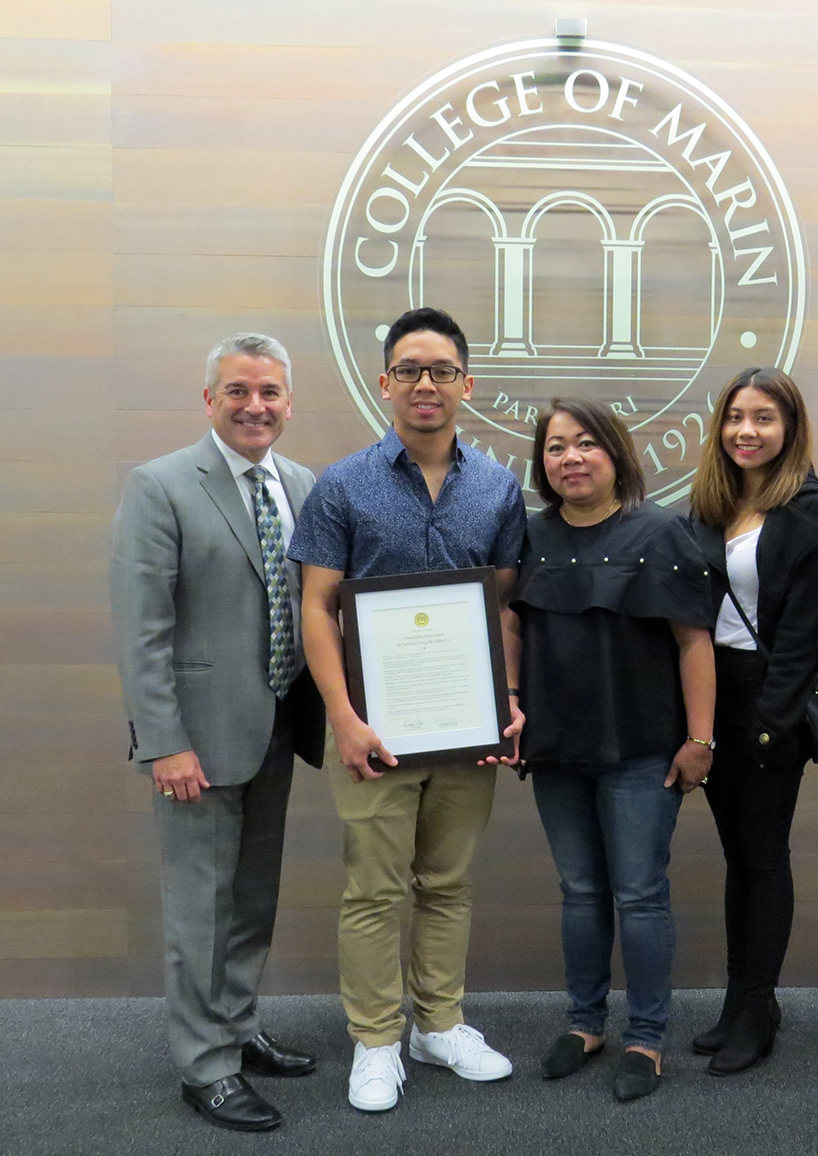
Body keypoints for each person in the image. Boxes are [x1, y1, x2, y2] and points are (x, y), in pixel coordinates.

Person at [288, 307, 525, 1111]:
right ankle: (377, 1039)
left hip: (465, 728)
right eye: (411, 370)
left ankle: (439, 1024)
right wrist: (344, 719)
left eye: (443, 370)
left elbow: (502, 609)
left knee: (449, 882)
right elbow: (316, 608)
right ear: (385, 382)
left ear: (468, 384)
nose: (428, 384)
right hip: (372, 728)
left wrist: (509, 702)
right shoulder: (343, 484)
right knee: (374, 890)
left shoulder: (497, 486)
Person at [110, 334, 326, 1132]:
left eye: (269, 392)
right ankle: (204, 1068)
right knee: (200, 907)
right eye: (237, 391)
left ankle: (236, 1030)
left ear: (288, 402)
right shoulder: (161, 485)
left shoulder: (302, 485)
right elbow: (143, 630)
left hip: (276, 726)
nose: (254, 406)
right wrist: (163, 740)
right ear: (210, 401)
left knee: (250, 899)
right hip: (194, 741)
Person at [508, 398, 715, 1102]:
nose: (570, 457)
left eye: (587, 443)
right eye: (557, 446)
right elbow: (510, 624)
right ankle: (585, 1022)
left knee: (641, 895)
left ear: (616, 453)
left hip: (641, 749)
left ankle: (647, 1037)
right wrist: (506, 699)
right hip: (557, 747)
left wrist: (700, 738)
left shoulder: (661, 530)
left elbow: (694, 642)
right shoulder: (527, 536)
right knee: (581, 892)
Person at [688, 367, 818, 1076]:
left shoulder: (806, 507)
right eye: (736, 417)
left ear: (789, 428)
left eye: (764, 419)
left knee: (764, 856)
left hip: (772, 702)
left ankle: (757, 1007)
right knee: (737, 857)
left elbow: (803, 633)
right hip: (713, 696)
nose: (747, 431)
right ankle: (741, 1002)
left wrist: (772, 728)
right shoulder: (711, 502)